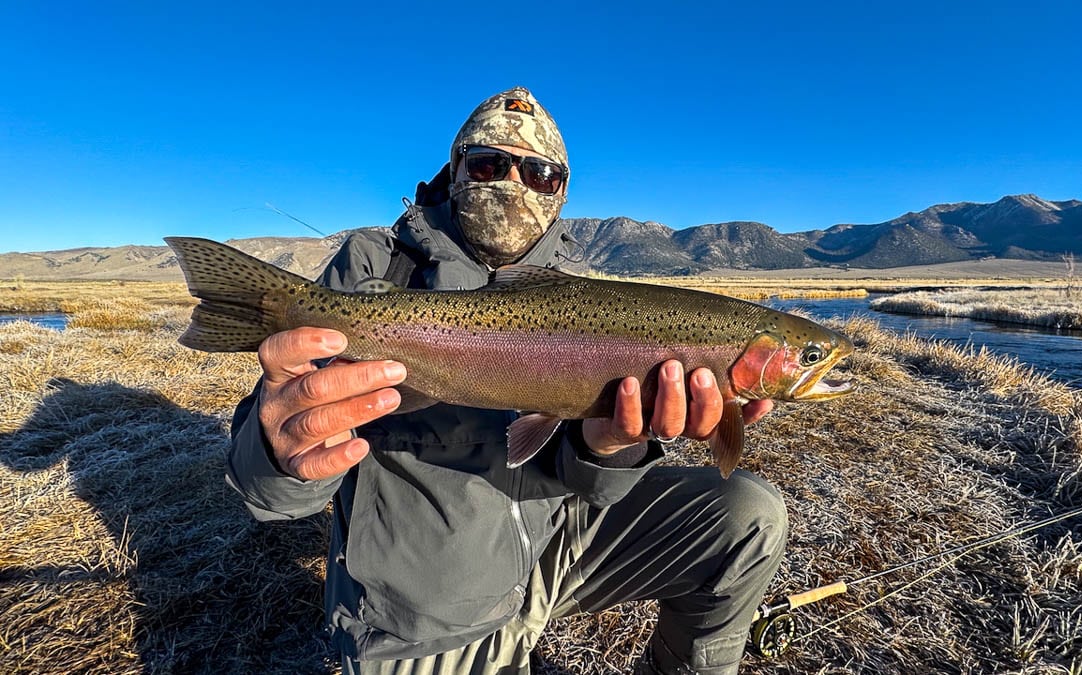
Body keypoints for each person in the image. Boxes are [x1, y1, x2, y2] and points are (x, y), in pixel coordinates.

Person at [227, 87, 787, 675]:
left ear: (561, 189)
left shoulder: (579, 289)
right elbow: (267, 496)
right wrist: (277, 449)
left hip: (562, 545)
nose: (513, 182)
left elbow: (588, 482)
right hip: (429, 607)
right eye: (490, 164)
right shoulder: (376, 267)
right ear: (455, 168)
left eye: (540, 172)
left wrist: (607, 445)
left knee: (748, 512)